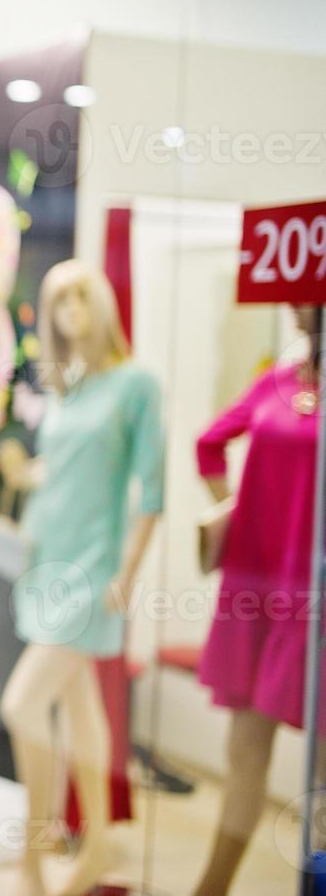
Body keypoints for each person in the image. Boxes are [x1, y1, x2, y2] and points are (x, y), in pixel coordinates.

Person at [0, 260, 164, 896]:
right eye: (58, 302)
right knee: (78, 705)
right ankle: (95, 845)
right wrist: (26, 472)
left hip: (92, 572)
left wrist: (127, 573)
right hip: (47, 560)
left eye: (79, 299)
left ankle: (34, 859)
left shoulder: (136, 385)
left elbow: (152, 489)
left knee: (23, 703)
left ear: (103, 305)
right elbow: (66, 472)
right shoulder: (70, 387)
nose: (70, 313)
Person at [191, 303, 322, 896]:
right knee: (245, 750)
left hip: (315, 594)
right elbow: (208, 443)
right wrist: (234, 510)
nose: (294, 306)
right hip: (259, 588)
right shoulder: (278, 378)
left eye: (307, 297)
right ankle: (212, 888)